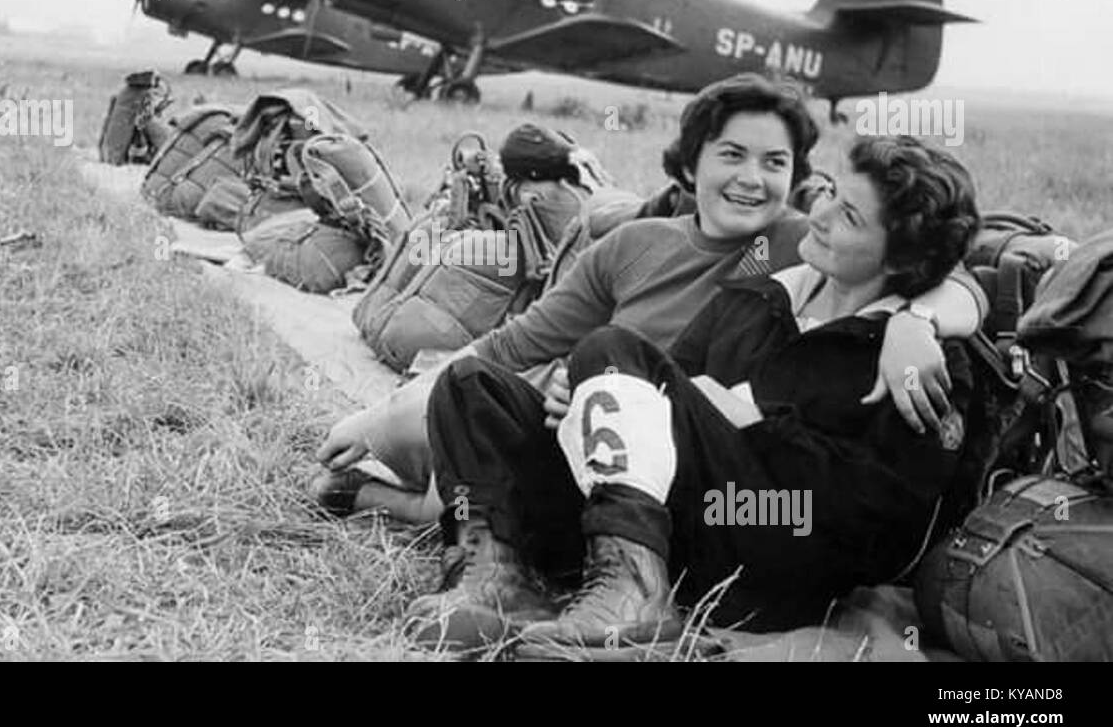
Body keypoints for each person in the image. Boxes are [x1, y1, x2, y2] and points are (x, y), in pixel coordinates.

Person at [315, 74, 986, 523]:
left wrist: (917, 319)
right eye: (731, 155)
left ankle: (391, 501)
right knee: (435, 423)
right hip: (577, 418)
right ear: (691, 163)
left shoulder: (804, 239)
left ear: (797, 178)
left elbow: (950, 267)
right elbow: (513, 342)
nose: (752, 179)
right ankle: (401, 479)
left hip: (679, 469)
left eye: (775, 163)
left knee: (463, 502)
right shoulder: (633, 245)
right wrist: (376, 415)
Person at [406, 135, 981, 651]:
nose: (821, 215)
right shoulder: (755, 296)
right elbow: (661, 390)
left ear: (903, 258)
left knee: (615, 347)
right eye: (828, 191)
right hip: (658, 521)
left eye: (850, 216)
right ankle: (497, 577)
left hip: (766, 555)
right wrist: (588, 399)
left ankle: (637, 595)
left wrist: (745, 420)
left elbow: (884, 526)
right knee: (471, 386)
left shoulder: (924, 363)